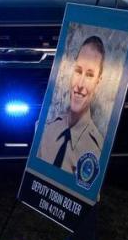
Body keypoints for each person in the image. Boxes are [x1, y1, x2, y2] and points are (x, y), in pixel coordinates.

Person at [37, 36, 106, 174]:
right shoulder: (47, 129)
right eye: (78, 71)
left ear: (98, 81)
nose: (80, 85)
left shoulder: (97, 150)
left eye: (89, 75)